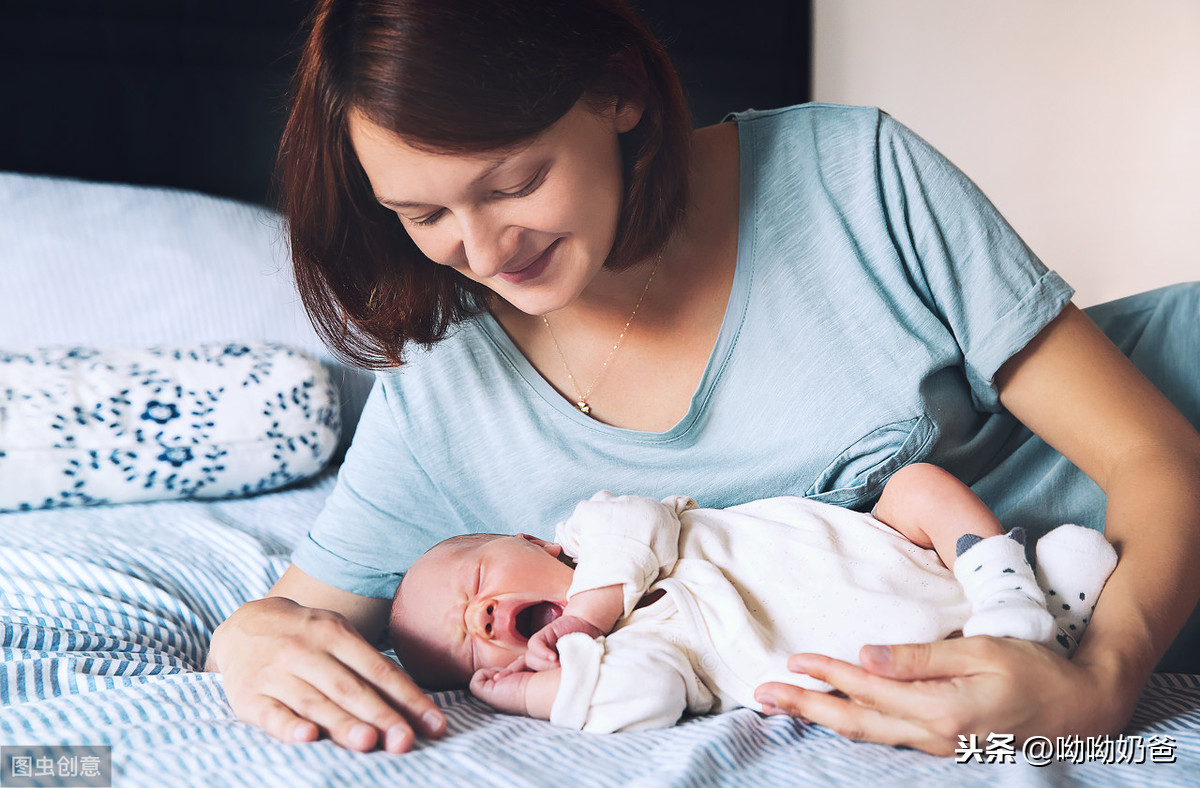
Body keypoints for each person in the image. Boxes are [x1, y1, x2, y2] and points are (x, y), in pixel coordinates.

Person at [205, 0, 1200, 757]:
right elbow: (299, 614)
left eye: (511, 182)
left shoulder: (857, 177)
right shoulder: (445, 392)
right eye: (423, 215)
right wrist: (244, 642)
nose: (479, 246)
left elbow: (1152, 450)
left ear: (619, 91)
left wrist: (1102, 684)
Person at [390, 466, 1118, 732]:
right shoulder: (625, 658)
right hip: (887, 659)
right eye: (472, 649)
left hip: (894, 547)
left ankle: (1007, 601)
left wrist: (586, 610)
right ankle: (1037, 634)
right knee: (911, 694)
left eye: (477, 583)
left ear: (532, 542)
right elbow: (647, 699)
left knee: (919, 486)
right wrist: (531, 697)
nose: (480, 618)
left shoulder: (596, 532)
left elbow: (642, 523)